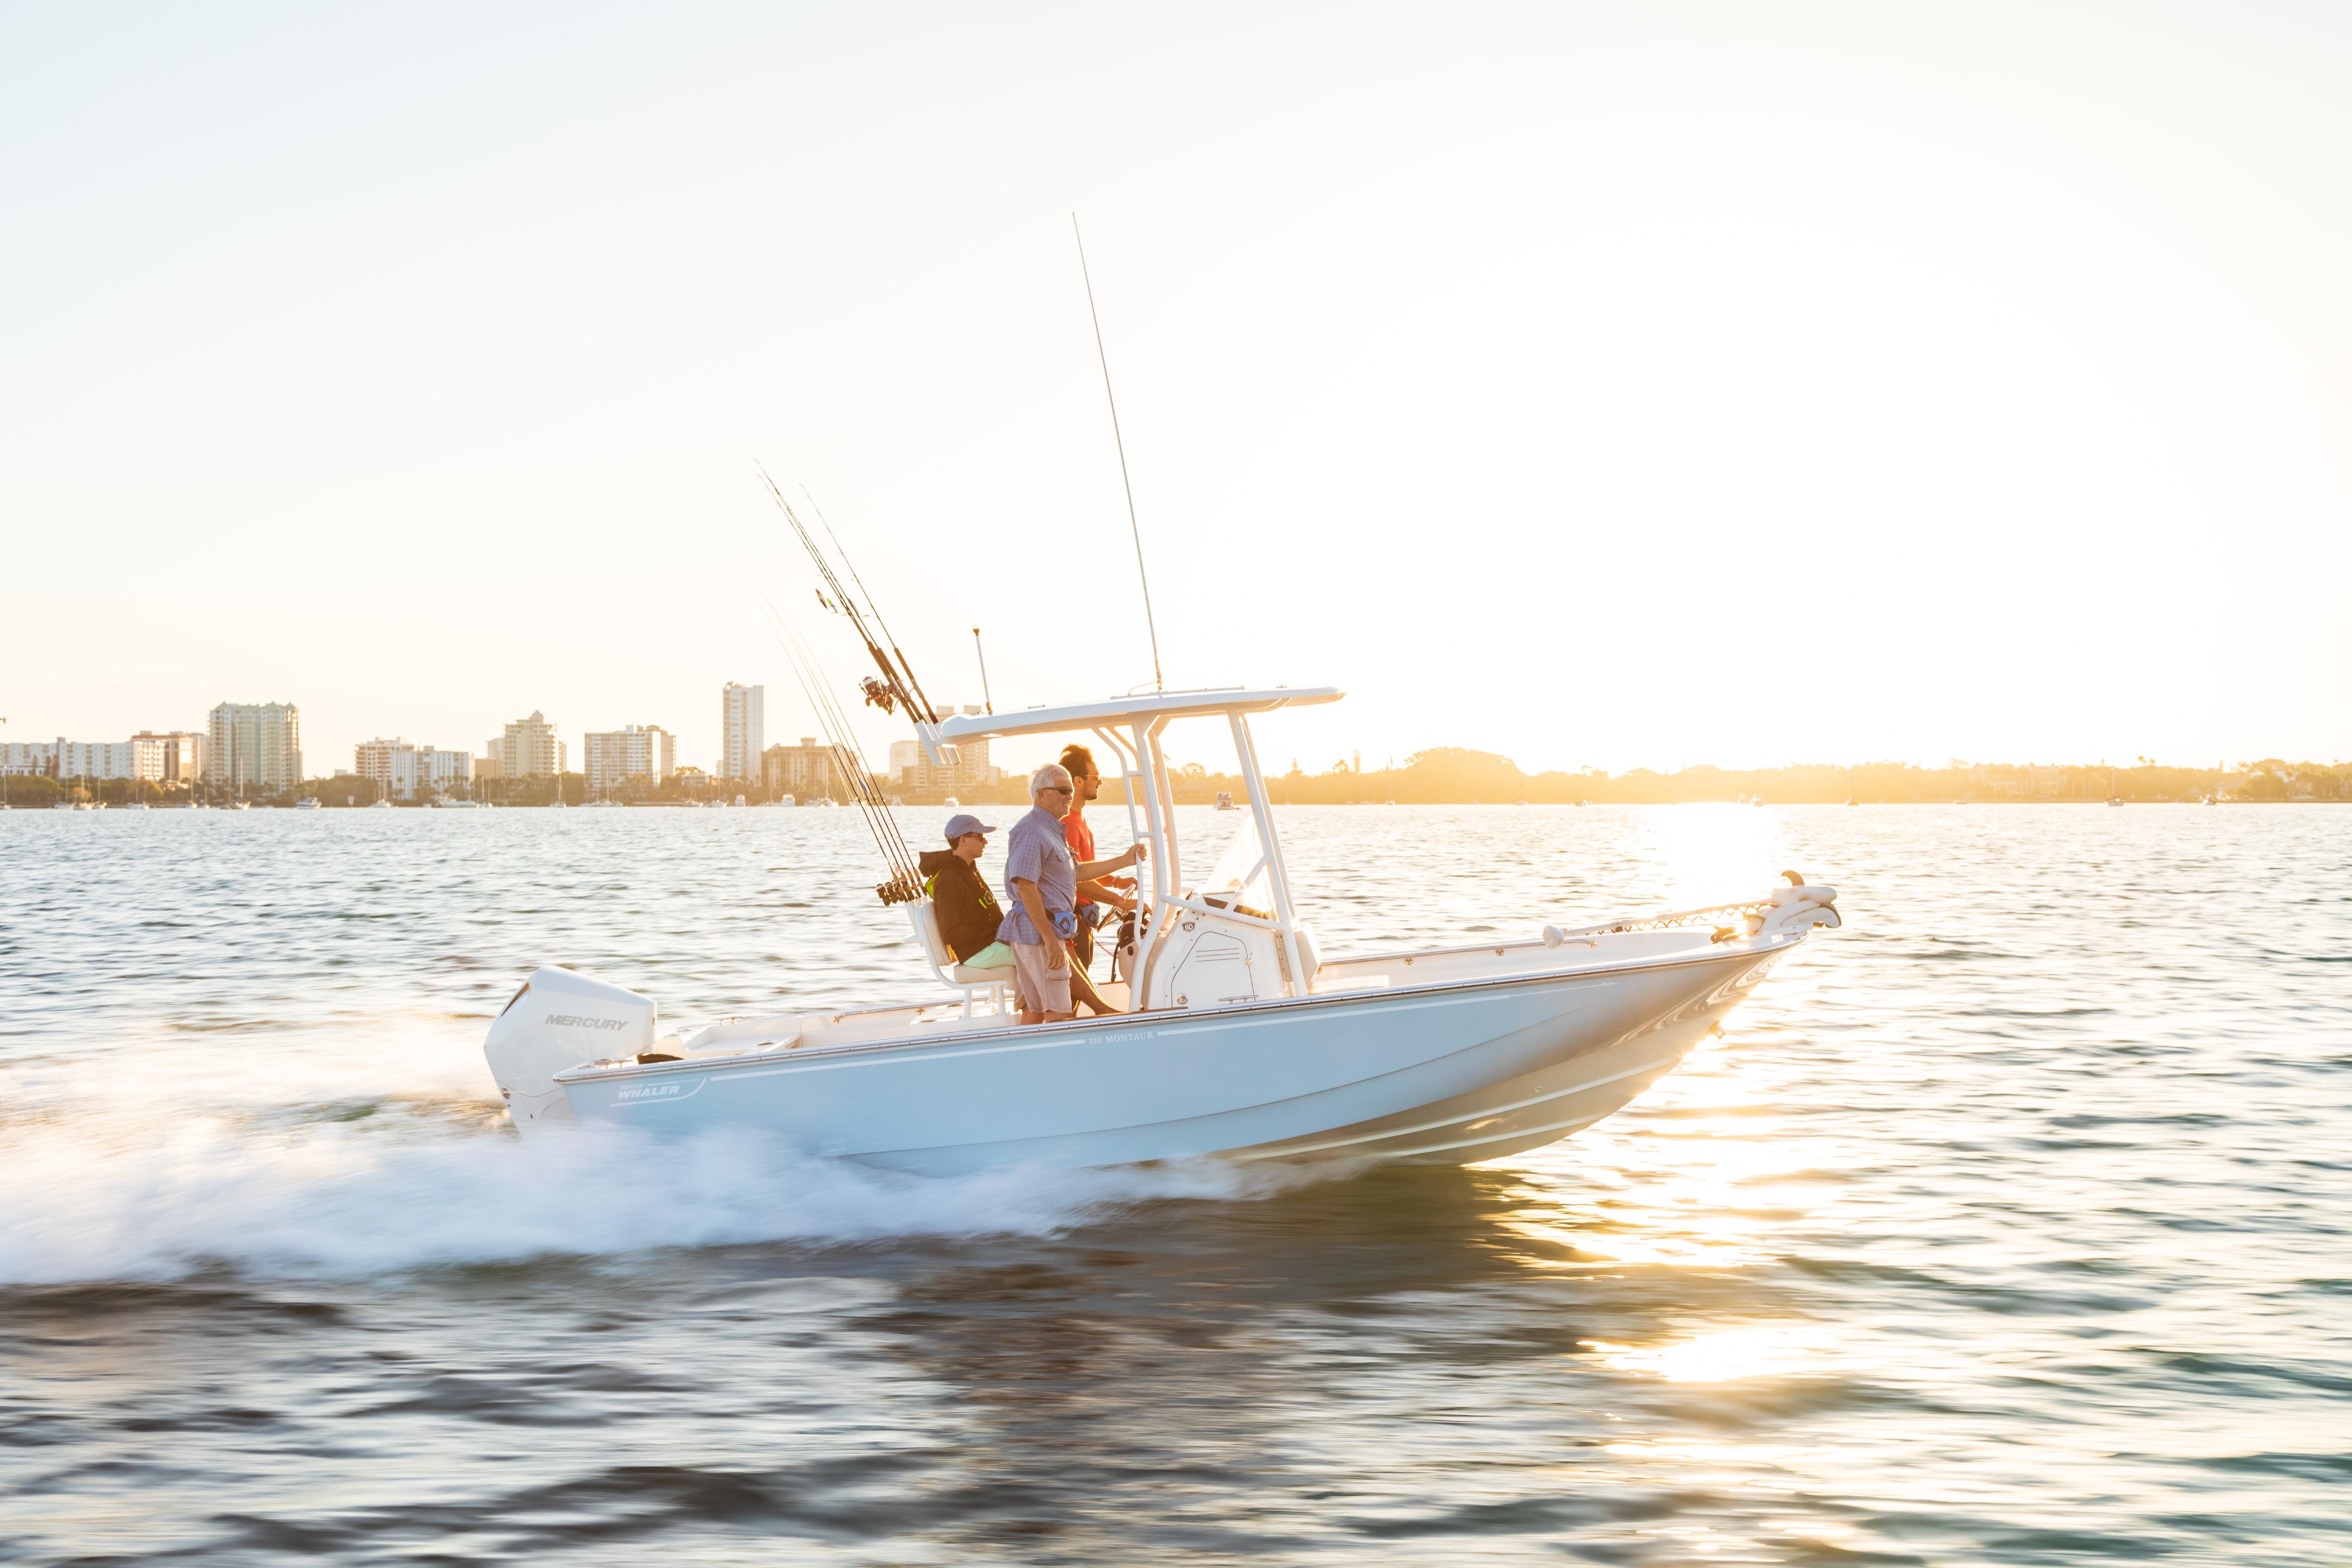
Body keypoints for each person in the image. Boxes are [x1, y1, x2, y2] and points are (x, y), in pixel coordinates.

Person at [1000, 761, 1146, 1024]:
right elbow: (1025, 887)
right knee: (1059, 1011)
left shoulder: (1052, 829)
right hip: (1038, 933)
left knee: (1034, 1009)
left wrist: (1124, 860)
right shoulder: (1032, 831)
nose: (1070, 796)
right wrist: (1050, 940)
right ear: (1041, 794)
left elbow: (1076, 872)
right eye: (1063, 790)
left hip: (1044, 931)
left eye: (1070, 790)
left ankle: (1025, 1062)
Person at [1057, 743, 1138, 975]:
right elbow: (1078, 879)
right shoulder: (1068, 824)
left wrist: (1116, 881)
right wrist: (1120, 902)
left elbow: (1086, 868)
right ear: (1078, 781)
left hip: (1084, 923)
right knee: (1074, 993)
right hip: (1073, 924)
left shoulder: (1080, 819)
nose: (1099, 781)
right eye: (1095, 777)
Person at [916, 813, 1011, 969]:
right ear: (963, 840)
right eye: (980, 837)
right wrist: (993, 932)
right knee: (1040, 954)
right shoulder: (949, 879)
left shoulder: (968, 870)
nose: (985, 841)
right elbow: (951, 932)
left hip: (989, 945)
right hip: (977, 953)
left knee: (1044, 946)